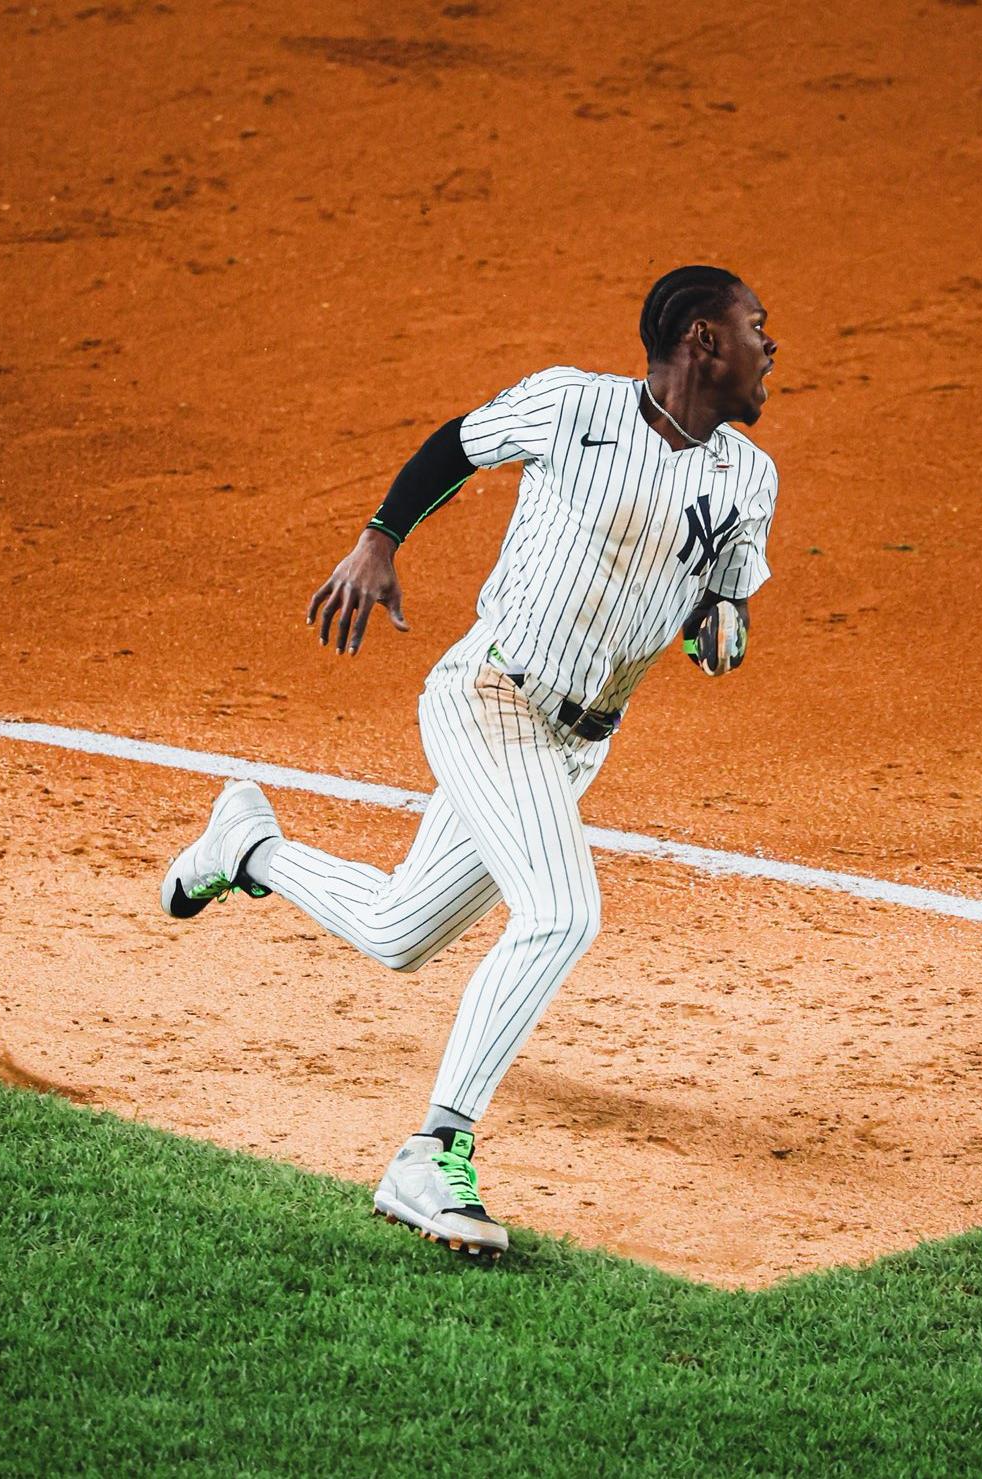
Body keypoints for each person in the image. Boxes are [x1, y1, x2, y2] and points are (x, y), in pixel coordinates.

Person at [161, 265, 779, 1257]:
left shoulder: (751, 478)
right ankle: (431, 1154)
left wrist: (722, 627)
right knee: (562, 911)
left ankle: (247, 850)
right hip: (489, 695)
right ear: (702, 341)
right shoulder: (569, 405)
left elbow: (728, 600)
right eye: (756, 327)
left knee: (402, 929)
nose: (769, 347)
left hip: (577, 745)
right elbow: (457, 443)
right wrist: (378, 540)